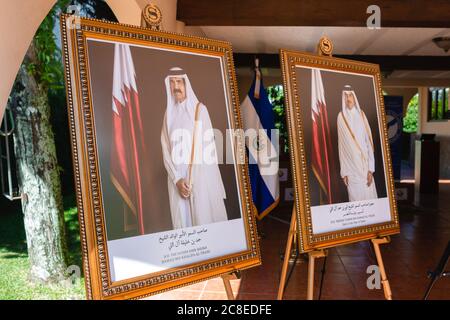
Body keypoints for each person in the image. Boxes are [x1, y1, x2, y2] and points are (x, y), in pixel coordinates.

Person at [161, 67, 228, 229]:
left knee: (204, 223)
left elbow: (207, 149)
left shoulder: (200, 110)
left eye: (179, 81)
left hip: (199, 180)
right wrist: (177, 180)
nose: (175, 86)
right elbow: (165, 148)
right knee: (183, 227)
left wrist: (191, 181)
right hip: (177, 182)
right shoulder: (168, 115)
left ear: (186, 83)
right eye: (171, 82)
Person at [337, 85, 378, 201]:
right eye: (345, 96)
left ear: (354, 97)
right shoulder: (341, 117)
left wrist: (371, 169)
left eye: (350, 95)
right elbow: (341, 147)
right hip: (351, 170)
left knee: (369, 200)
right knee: (355, 203)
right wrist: (344, 172)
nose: (348, 98)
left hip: (365, 167)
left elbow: (369, 144)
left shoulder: (362, 115)